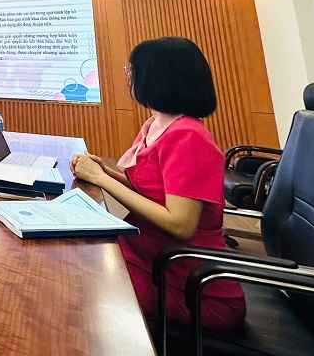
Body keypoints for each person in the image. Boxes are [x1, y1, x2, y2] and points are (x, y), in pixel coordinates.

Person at [69, 37, 245, 331]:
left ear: (158, 77)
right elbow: (149, 192)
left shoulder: (188, 136)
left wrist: (101, 179)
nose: (128, 76)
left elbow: (180, 224)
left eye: (131, 70)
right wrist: (104, 172)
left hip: (189, 284)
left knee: (76, 281)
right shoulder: (155, 124)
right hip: (149, 256)